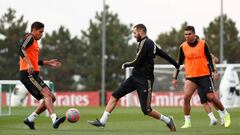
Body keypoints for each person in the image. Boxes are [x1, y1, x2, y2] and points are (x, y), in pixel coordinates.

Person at [88, 24, 180, 132]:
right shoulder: (146, 43)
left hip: (145, 80)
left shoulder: (147, 43)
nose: (134, 35)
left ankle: (168, 120)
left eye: (135, 33)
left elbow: (138, 61)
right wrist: (176, 64)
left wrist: (126, 64)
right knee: (115, 96)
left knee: (146, 110)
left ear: (141, 31)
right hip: (135, 77)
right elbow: (164, 55)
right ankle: (102, 122)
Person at [172, 26, 231, 128]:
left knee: (211, 97)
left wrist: (215, 71)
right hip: (191, 76)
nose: (187, 36)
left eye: (189, 34)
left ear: (194, 34)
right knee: (186, 97)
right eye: (185, 34)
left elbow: (209, 58)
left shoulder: (203, 44)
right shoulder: (183, 47)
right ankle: (187, 122)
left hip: (204, 75)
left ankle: (225, 113)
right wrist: (174, 77)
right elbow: (178, 63)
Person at [19, 21, 65, 129]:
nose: (41, 34)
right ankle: (54, 119)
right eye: (40, 32)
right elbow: (21, 49)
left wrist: (48, 63)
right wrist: (29, 64)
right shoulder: (30, 37)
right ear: (34, 30)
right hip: (28, 73)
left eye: (43, 32)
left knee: (51, 97)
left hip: (33, 74)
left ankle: (30, 119)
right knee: (47, 94)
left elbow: (35, 61)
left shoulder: (35, 42)